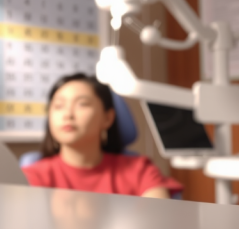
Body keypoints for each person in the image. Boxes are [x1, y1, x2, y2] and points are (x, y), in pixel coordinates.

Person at [22, 73, 182, 198]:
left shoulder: (140, 170)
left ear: (108, 118)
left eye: (82, 104)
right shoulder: (32, 176)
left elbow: (157, 222)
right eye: (58, 106)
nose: (67, 114)